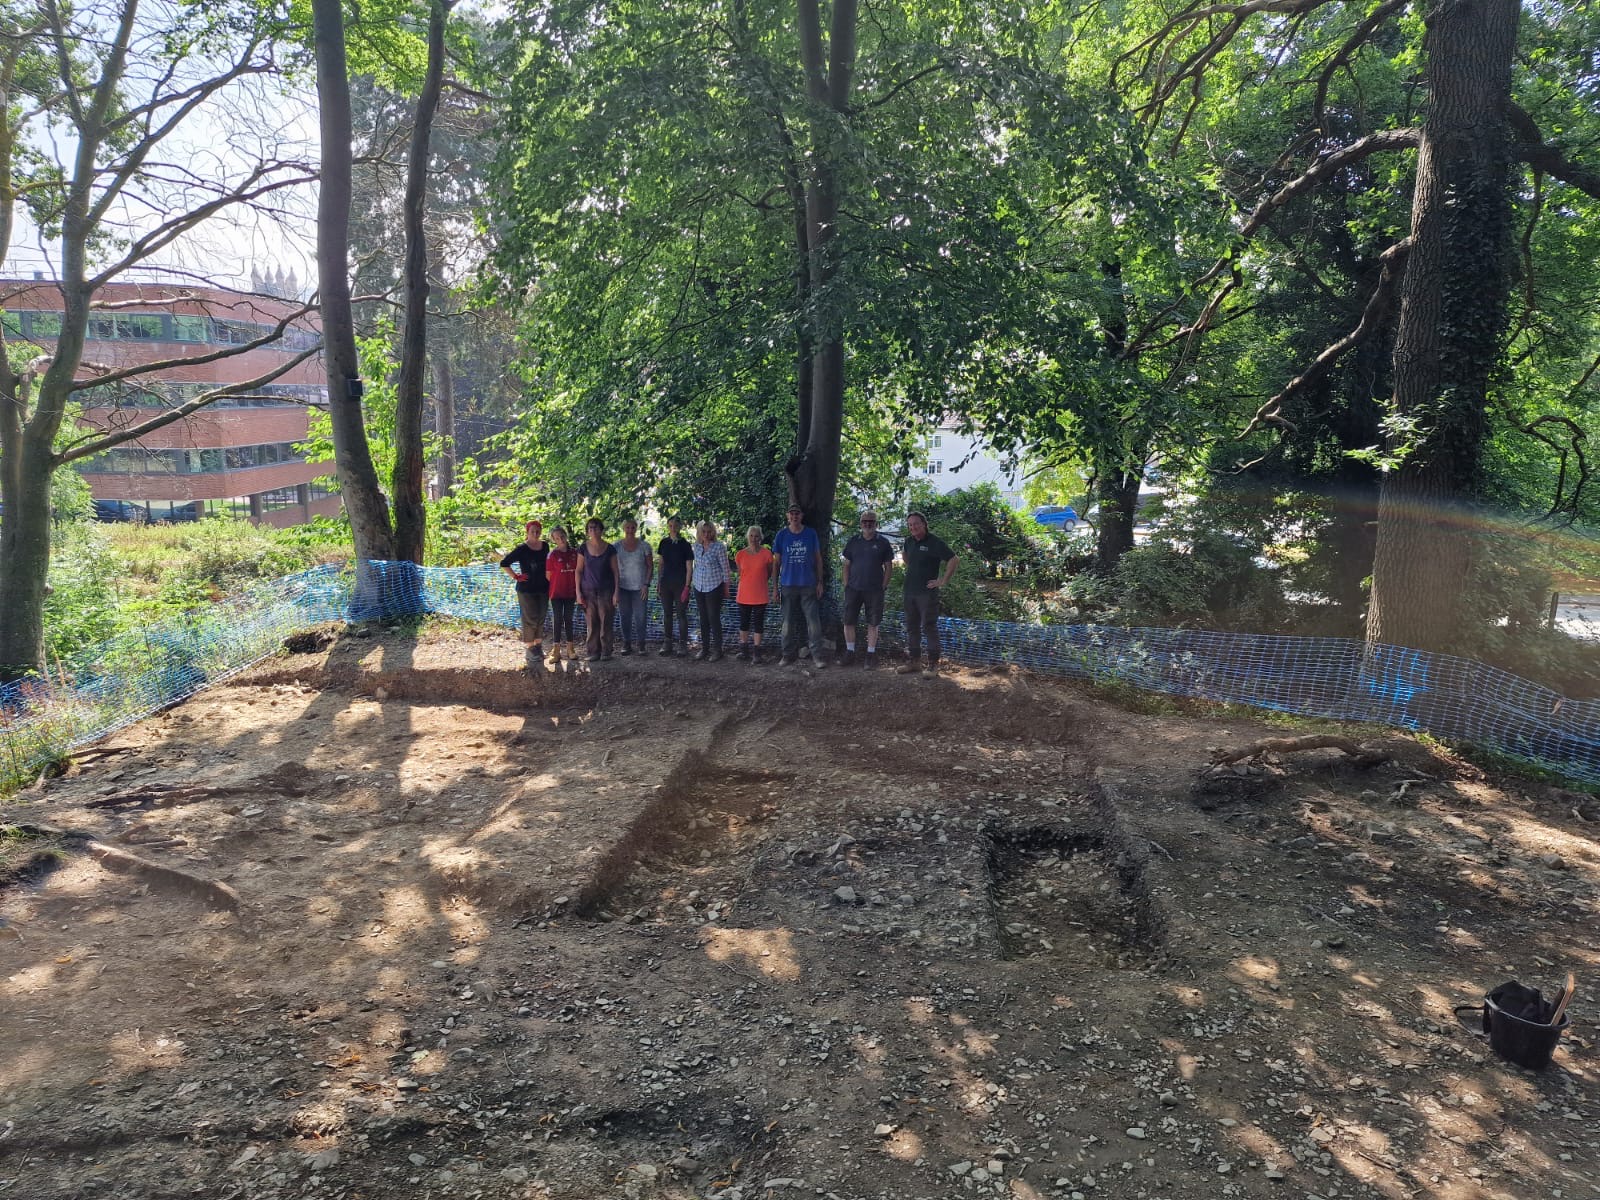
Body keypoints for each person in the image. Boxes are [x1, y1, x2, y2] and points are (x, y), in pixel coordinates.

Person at [898, 511, 959, 676]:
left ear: (924, 524)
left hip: (927, 593)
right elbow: (905, 556)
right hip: (909, 591)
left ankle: (933, 665)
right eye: (910, 525)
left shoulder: (934, 542)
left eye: (916, 524)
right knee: (912, 627)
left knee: (928, 627)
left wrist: (942, 580)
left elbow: (953, 559)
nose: (913, 527)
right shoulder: (908, 542)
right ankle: (914, 662)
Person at [772, 503, 826, 668]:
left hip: (808, 585)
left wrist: (820, 582)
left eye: (797, 514)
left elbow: (818, 559)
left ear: (801, 516)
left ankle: (817, 656)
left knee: (813, 622)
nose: (794, 517)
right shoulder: (781, 535)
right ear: (788, 516)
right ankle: (787, 655)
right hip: (787, 585)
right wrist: (774, 587)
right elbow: (776, 563)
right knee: (787, 623)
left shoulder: (810, 534)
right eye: (791, 514)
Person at [839, 509, 894, 668]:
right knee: (849, 621)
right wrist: (846, 584)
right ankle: (850, 652)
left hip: (875, 590)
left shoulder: (883, 542)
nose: (868, 524)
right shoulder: (853, 541)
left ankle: (871, 655)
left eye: (871, 521)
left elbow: (889, 566)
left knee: (873, 622)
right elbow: (847, 564)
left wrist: (883, 585)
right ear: (860, 524)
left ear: (876, 524)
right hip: (853, 589)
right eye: (865, 521)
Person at [500, 520, 550, 670]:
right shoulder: (522, 548)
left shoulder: (545, 546)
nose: (535, 533)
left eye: (538, 531)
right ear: (527, 532)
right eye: (532, 531)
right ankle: (529, 648)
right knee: (530, 618)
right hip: (526, 589)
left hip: (543, 588)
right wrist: (516, 576)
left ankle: (538, 646)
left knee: (541, 617)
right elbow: (504, 563)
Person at [576, 517, 619, 662]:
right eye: (590, 528)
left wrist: (616, 592)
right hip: (587, 591)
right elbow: (578, 571)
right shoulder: (583, 548)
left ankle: (606, 652)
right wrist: (578, 592)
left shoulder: (610, 548)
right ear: (587, 531)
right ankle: (593, 652)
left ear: (601, 529)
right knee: (592, 623)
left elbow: (616, 572)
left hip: (606, 591)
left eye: (595, 527)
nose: (592, 530)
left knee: (606, 622)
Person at [733, 525, 776, 663]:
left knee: (758, 624)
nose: (754, 538)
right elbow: (741, 573)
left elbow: (769, 572)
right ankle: (743, 651)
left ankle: (757, 653)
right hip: (743, 595)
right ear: (747, 537)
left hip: (760, 595)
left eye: (756, 536)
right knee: (743, 623)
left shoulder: (767, 554)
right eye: (751, 535)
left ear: (761, 538)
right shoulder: (740, 555)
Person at [690, 520, 731, 661]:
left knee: (714, 618)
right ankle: (704, 648)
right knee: (703, 619)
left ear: (713, 532)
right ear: (699, 533)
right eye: (704, 532)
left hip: (714, 586)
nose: (706, 534)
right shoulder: (696, 547)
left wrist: (726, 588)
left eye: (709, 531)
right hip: (698, 586)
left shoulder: (719, 547)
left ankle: (718, 650)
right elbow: (695, 566)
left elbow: (726, 569)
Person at [614, 518, 654, 656]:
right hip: (622, 587)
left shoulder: (645, 546)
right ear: (623, 528)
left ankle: (641, 644)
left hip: (640, 588)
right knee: (624, 616)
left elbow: (650, 566)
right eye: (627, 527)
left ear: (636, 528)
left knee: (640, 616)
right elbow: (612, 568)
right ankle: (626, 644)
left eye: (633, 527)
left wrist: (646, 584)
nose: (630, 530)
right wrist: (615, 588)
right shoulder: (616, 546)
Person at [656, 516, 694, 656]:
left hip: (680, 585)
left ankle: (682, 645)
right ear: (667, 526)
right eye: (670, 525)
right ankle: (667, 643)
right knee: (667, 614)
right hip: (666, 584)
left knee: (681, 614)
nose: (673, 527)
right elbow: (660, 564)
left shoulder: (685, 544)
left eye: (676, 525)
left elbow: (690, 567)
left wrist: (687, 586)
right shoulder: (663, 543)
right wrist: (659, 582)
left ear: (680, 527)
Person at [544, 526, 580, 666]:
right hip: (556, 593)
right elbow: (549, 576)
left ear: (566, 535)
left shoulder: (575, 553)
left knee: (568, 619)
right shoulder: (552, 555)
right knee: (557, 619)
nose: (561, 540)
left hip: (571, 593)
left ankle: (570, 649)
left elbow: (579, 571)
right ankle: (556, 650)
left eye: (562, 536)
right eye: (557, 538)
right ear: (554, 540)